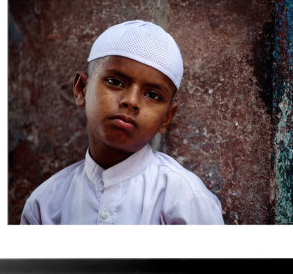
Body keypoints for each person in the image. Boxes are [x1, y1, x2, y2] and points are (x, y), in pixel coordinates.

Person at [20, 20, 224, 225]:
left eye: (152, 95)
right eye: (115, 82)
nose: (131, 101)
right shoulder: (45, 205)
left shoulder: (185, 201)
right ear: (82, 88)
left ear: (167, 118)